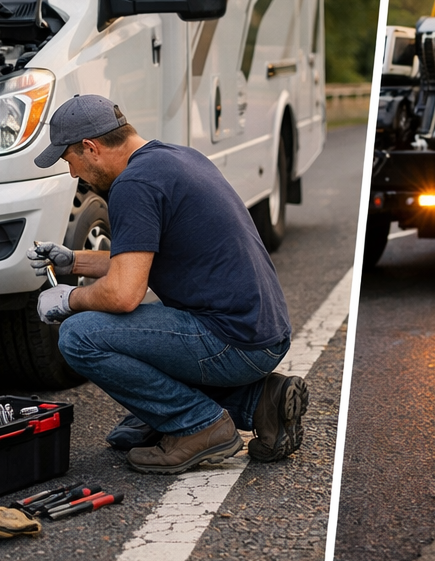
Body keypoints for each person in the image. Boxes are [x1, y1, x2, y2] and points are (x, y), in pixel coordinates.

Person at [26, 94, 308, 473]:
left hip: (233, 340)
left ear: (90, 148)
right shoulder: (174, 158)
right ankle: (260, 403)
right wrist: (73, 260)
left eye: (69, 160)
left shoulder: (134, 185)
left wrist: (69, 299)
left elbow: (125, 294)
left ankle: (196, 426)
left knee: (79, 336)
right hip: (260, 331)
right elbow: (137, 258)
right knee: (133, 333)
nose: (73, 173)